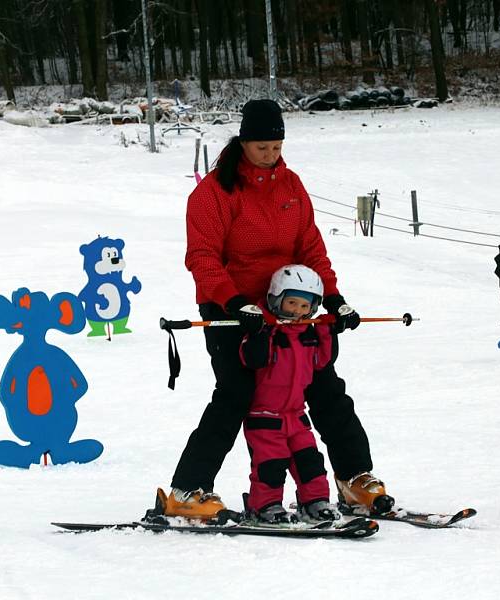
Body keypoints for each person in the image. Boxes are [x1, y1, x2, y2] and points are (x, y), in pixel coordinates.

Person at [158, 99, 392, 520]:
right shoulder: (214, 192)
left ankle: (355, 478)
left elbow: (311, 247)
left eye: (277, 146)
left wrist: (335, 299)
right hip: (234, 311)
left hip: (292, 308)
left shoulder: (291, 185)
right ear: (244, 142)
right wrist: (234, 301)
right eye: (262, 147)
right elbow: (203, 257)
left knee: (325, 388)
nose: (271, 154)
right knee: (236, 395)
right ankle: (187, 491)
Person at [240, 265, 342, 524]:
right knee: (270, 464)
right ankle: (265, 505)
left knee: (310, 462)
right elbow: (252, 360)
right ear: (276, 299)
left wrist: (327, 330)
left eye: (304, 306)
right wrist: (258, 330)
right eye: (292, 303)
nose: (297, 311)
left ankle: (315, 501)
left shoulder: (307, 335)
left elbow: (322, 361)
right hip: (264, 416)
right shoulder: (269, 331)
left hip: (296, 414)